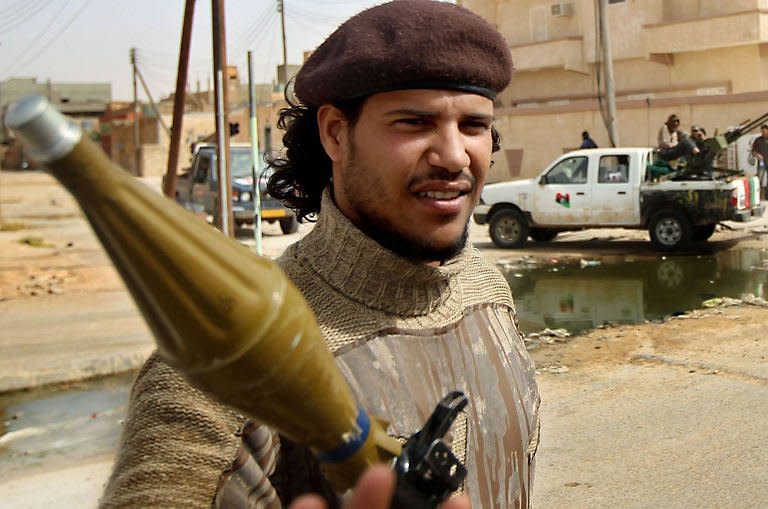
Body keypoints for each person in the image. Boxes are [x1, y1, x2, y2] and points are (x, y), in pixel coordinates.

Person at [99, 2, 539, 508]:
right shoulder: (230, 361)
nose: (454, 156)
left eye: (473, 126)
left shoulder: (486, 288)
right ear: (334, 132)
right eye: (414, 123)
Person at [751, 124, 768, 199]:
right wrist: (757, 155)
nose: (763, 133)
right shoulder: (758, 140)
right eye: (762, 132)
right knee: (759, 179)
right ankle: (757, 197)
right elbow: (753, 151)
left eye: (764, 131)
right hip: (762, 163)